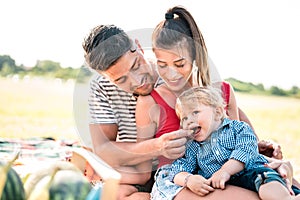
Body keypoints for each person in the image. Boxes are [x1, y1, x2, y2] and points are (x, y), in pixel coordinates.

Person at [82, 22, 291, 199]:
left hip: (198, 165)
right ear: (106, 77)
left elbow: (220, 104)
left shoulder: (171, 70)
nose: (138, 81)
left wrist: (253, 141)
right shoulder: (100, 88)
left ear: (138, 46)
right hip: (150, 173)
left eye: (136, 65)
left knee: (277, 177)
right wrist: (156, 147)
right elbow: (103, 148)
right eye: (120, 80)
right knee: (119, 193)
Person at [133, 5, 298, 200]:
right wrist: (159, 148)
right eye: (162, 65)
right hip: (183, 181)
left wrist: (273, 162)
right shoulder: (149, 103)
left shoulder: (223, 92)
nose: (171, 73)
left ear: (195, 55)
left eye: (180, 64)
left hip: (231, 172)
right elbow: (142, 166)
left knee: (286, 186)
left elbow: (238, 140)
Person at [166, 86, 300, 200]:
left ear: (217, 112)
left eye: (195, 112)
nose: (189, 121)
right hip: (227, 186)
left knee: (266, 181)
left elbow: (245, 150)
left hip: (253, 172)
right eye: (184, 118)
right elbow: (179, 168)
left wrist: (225, 171)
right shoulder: (192, 146)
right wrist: (188, 180)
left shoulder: (238, 128)